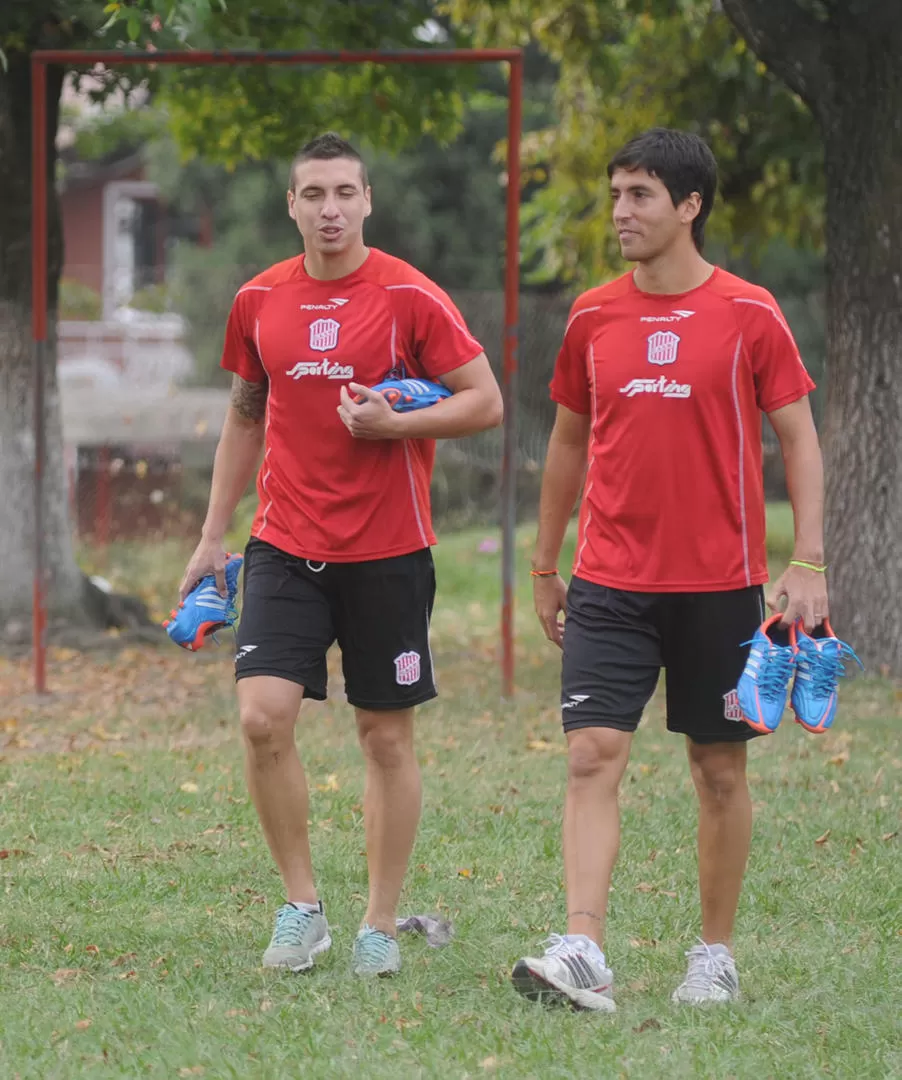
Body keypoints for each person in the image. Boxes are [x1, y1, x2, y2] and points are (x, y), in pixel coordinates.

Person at [512, 128, 826, 1012]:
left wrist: (806, 560)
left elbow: (798, 439)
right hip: (610, 583)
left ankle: (714, 955)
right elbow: (567, 442)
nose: (621, 212)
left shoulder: (750, 313)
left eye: (641, 195)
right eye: (616, 194)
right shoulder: (592, 315)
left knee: (719, 772)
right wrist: (546, 564)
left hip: (720, 585)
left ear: (689, 206)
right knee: (590, 755)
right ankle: (584, 949)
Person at [178, 132, 503, 977]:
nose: (330, 209)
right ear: (291, 204)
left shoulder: (408, 295)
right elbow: (247, 414)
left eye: (345, 193)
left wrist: (398, 424)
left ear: (367, 202)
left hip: (390, 551)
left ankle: (379, 924)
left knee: (385, 740)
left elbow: (485, 402)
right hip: (283, 544)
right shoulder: (258, 300)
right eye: (313, 193)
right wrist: (214, 533)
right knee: (261, 717)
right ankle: (302, 908)